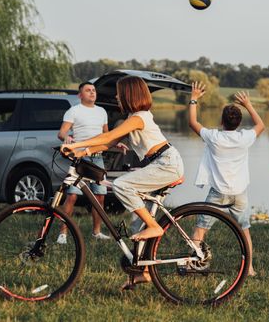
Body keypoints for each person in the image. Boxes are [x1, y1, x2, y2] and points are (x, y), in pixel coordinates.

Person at [61, 76, 184, 288]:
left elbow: (105, 136)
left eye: (120, 93)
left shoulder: (139, 117)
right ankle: (143, 272)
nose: (117, 97)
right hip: (158, 164)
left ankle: (155, 227)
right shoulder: (131, 119)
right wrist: (84, 151)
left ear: (129, 95)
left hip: (166, 164)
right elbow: (109, 141)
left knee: (122, 185)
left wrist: (76, 144)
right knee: (138, 222)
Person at [188, 82, 264, 277]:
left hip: (218, 193)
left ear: (222, 122)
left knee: (201, 228)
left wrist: (194, 98)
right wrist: (248, 104)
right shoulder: (244, 138)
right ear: (238, 123)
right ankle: (249, 268)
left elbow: (193, 123)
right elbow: (261, 125)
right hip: (240, 193)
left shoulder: (214, 137)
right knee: (244, 229)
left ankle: (192, 264)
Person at [56, 82, 111, 244]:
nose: (92, 93)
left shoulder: (102, 112)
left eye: (94, 90)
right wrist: (66, 137)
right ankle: (63, 234)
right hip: (80, 159)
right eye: (88, 91)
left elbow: (106, 135)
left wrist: (116, 143)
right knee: (72, 196)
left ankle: (97, 232)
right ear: (80, 95)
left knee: (99, 196)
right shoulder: (74, 111)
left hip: (98, 158)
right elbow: (61, 132)